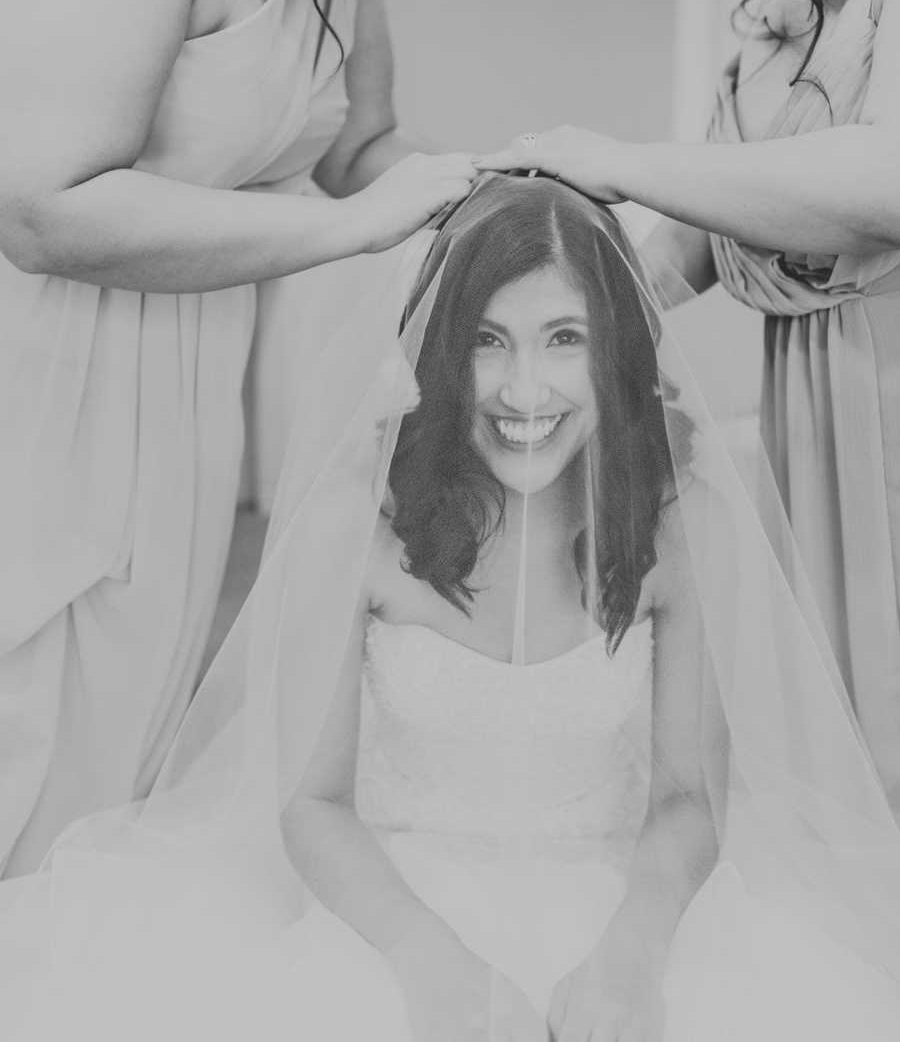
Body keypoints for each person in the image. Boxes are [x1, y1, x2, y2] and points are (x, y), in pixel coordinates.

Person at [5, 174, 900, 1042]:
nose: (524, 390)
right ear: (439, 349)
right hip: (384, 904)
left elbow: (685, 799)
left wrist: (632, 956)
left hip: (622, 900)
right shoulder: (359, 519)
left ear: (616, 350)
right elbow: (313, 804)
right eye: (486, 340)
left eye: (563, 338)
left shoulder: (677, 516)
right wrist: (429, 964)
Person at [0, 0, 508, 877]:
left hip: (185, 385)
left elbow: (359, 153)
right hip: (37, 368)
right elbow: (40, 209)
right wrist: (354, 232)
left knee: (112, 748)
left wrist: (496, 207)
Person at [483, 0, 900, 813]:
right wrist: (549, 329)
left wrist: (626, 159)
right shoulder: (787, 23)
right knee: (846, 755)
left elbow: (885, 181)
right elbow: (703, 240)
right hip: (825, 414)